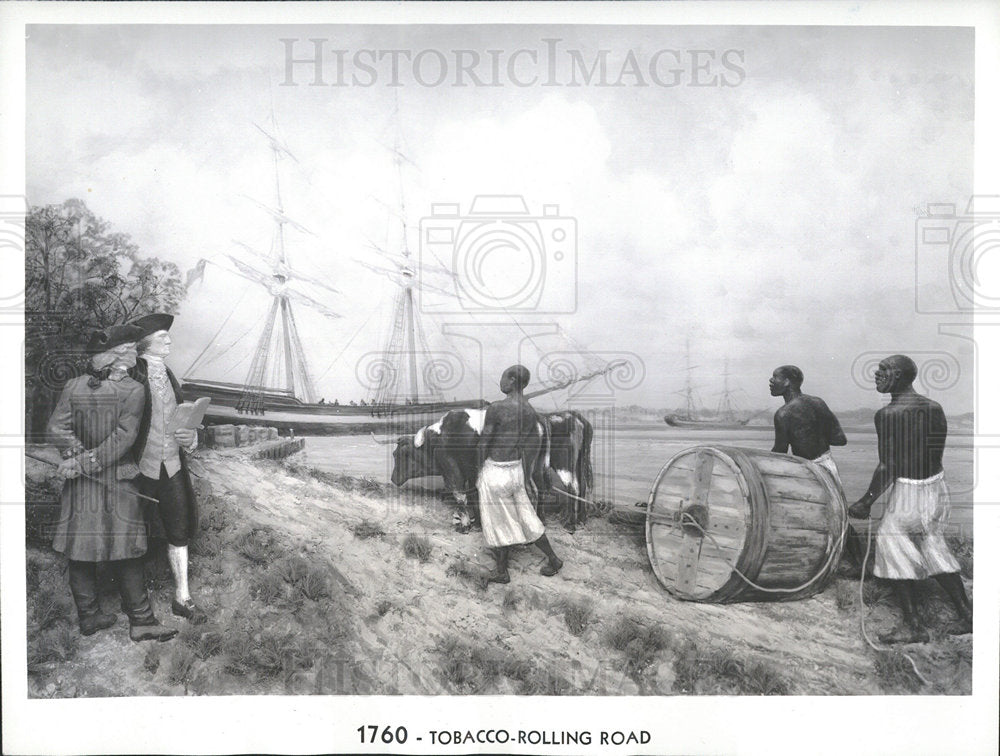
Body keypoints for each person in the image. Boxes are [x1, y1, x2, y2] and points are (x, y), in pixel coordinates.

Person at [48, 324, 177, 642]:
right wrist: (85, 462)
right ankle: (141, 621)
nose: (136, 352)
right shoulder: (134, 390)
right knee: (127, 551)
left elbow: (57, 429)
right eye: (133, 347)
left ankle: (89, 618)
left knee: (81, 549)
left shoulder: (74, 385)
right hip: (118, 480)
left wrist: (76, 459)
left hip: (81, 484)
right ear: (119, 356)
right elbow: (123, 439)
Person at [848, 355, 972, 643]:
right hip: (937, 488)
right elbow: (931, 454)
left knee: (892, 545)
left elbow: (888, 465)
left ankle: (914, 627)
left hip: (910, 492)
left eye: (884, 371)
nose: (876, 375)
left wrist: (866, 501)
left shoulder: (889, 415)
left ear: (902, 376)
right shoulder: (934, 407)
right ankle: (967, 615)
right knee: (933, 546)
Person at [128, 313, 206, 624]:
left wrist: (192, 437)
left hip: (172, 464)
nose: (170, 341)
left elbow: (183, 419)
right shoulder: (131, 375)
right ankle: (132, 603)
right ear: (145, 343)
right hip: (139, 467)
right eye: (163, 338)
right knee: (130, 530)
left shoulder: (172, 377)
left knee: (179, 528)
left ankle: (182, 597)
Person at [769, 365, 865, 573]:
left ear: (787, 382)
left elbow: (779, 451)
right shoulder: (817, 403)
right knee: (839, 515)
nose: (771, 381)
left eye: (775, 377)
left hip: (807, 470)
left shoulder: (783, 414)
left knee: (821, 516)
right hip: (826, 463)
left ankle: (824, 563)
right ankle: (858, 565)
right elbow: (839, 439)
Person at [477, 365, 563, 584]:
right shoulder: (529, 410)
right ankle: (553, 559)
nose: (501, 381)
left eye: (504, 377)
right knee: (526, 516)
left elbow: (485, 442)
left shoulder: (496, 408)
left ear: (513, 380)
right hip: (515, 469)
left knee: (496, 521)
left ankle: (501, 571)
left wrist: (478, 470)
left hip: (496, 470)